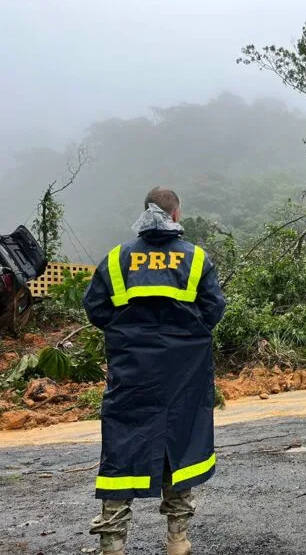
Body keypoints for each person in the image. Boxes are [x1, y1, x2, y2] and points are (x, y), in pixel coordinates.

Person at [83, 187, 226, 555]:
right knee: (181, 446)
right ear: (176, 215)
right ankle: (177, 540)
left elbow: (96, 309)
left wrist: (130, 334)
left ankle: (113, 543)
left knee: (122, 446)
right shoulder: (195, 259)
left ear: (144, 214)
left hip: (132, 375)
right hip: (185, 375)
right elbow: (213, 310)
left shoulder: (117, 260)